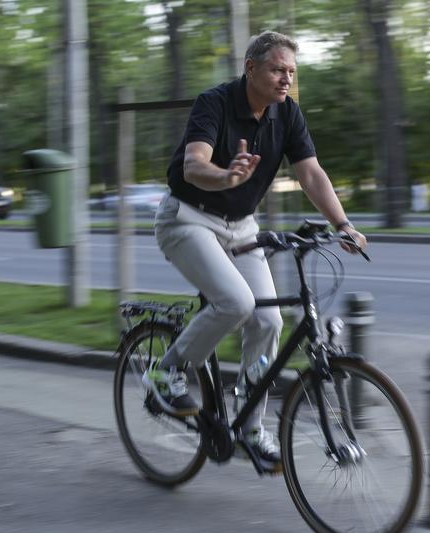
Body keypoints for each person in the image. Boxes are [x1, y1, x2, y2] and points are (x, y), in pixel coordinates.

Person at [144, 30, 367, 471]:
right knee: (237, 303)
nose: (286, 79)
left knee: (269, 318)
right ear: (251, 68)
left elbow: (311, 174)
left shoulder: (288, 114)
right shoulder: (216, 102)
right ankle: (165, 372)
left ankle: (251, 427)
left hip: (241, 225)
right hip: (188, 218)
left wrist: (342, 223)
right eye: (277, 69)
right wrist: (226, 177)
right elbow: (193, 165)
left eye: (291, 72)